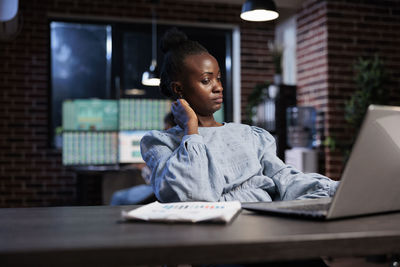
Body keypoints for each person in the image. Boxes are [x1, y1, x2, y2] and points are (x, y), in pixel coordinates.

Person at [140, 28, 339, 203]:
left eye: (218, 78)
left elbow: (284, 179)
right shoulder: (160, 143)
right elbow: (191, 195)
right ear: (179, 89)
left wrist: (336, 188)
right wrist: (191, 130)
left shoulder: (249, 135)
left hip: (265, 224)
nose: (218, 87)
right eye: (206, 80)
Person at [110, 112, 176, 205]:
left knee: (117, 197)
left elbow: (157, 177)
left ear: (168, 126)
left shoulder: (163, 142)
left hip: (162, 189)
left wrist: (145, 167)